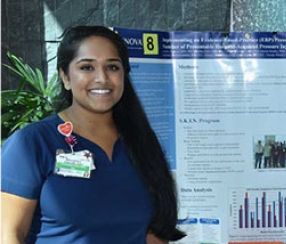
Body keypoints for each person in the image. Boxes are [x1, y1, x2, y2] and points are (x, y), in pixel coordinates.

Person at [1, 26, 186, 243]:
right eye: (87, 67)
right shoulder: (32, 144)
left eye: (112, 67)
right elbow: (8, 234)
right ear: (65, 76)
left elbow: (154, 233)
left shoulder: (141, 141)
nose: (102, 78)